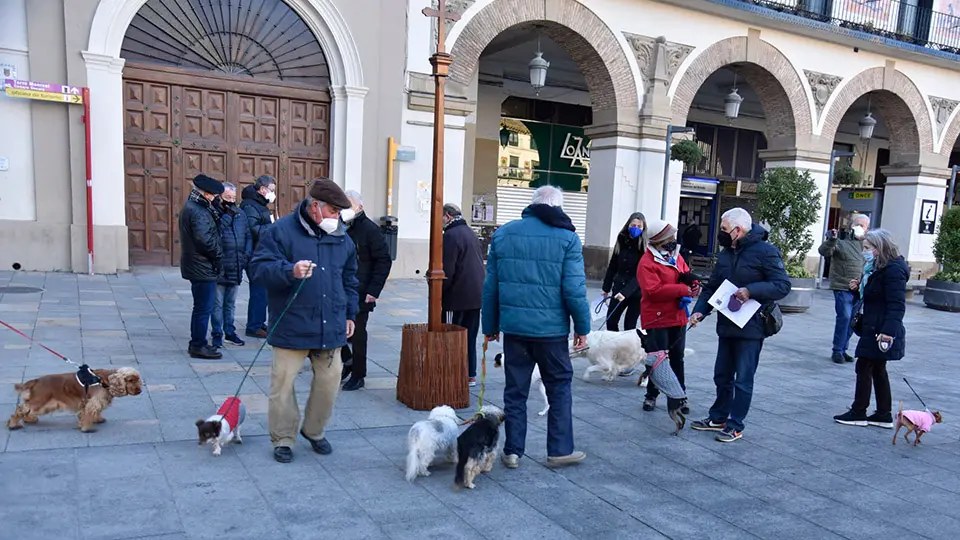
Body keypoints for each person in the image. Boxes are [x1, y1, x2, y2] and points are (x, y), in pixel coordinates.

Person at [248, 178, 359, 463]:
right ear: (315, 207)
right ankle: (283, 438)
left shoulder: (342, 237)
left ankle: (314, 430)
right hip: (292, 324)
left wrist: (350, 313)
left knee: (330, 381)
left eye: (339, 212)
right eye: (333, 211)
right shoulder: (280, 231)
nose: (337, 218)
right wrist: (289, 271)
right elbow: (258, 269)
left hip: (330, 324)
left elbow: (349, 278)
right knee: (282, 385)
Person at [482, 185, 590, 469]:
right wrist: (582, 327)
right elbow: (574, 290)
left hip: (515, 330)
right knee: (559, 387)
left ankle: (513, 450)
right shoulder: (567, 238)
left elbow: (490, 286)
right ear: (558, 207)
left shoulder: (504, 234)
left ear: (532, 204)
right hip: (551, 331)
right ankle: (559, 449)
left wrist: (490, 325)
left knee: (515, 390)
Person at [689, 208, 791, 442]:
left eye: (724, 229)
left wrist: (751, 291)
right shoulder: (726, 254)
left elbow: (782, 285)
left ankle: (735, 424)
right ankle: (718, 417)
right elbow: (712, 287)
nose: (721, 234)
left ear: (738, 230)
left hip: (752, 325)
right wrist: (699, 311)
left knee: (743, 378)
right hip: (727, 323)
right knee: (722, 375)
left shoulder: (766, 252)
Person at [833, 229, 907, 429]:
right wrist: (859, 288)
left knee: (865, 366)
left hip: (880, 328)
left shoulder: (893, 271)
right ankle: (883, 414)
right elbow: (875, 296)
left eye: (867, 248)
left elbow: (896, 304)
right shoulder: (876, 268)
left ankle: (859, 411)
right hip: (873, 325)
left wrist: (888, 332)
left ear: (879, 248)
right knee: (877, 369)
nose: (864, 251)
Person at [637, 219, 699, 414]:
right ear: (660, 240)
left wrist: (693, 282)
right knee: (658, 359)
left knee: (677, 358)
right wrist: (683, 289)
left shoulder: (675, 256)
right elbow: (653, 290)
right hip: (657, 317)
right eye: (670, 236)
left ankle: (680, 396)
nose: (674, 239)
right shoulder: (647, 262)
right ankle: (651, 395)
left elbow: (684, 272)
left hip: (677, 315)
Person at [339, 190, 393, 391]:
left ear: (360, 207)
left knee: (358, 333)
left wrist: (374, 290)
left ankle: (358, 374)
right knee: (334, 329)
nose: (345, 209)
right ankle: (348, 360)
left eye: (349, 205)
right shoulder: (341, 226)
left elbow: (384, 260)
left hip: (362, 291)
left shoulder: (369, 229)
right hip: (341, 288)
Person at [179, 174, 226, 360]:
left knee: (201, 307)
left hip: (198, 264)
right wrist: (219, 256)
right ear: (206, 194)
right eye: (213, 195)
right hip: (202, 265)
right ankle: (198, 345)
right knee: (202, 308)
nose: (215, 198)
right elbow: (205, 240)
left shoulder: (193, 206)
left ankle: (198, 342)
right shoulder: (198, 210)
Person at [441, 203, 486, 387]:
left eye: (441, 217)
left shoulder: (451, 235)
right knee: (470, 335)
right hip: (476, 294)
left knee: (454, 334)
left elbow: (447, 270)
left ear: (448, 216)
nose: (440, 222)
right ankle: (470, 374)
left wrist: (439, 294)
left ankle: (455, 372)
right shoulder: (468, 232)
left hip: (458, 296)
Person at [819, 214, 869, 364]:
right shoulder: (841, 240)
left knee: (854, 320)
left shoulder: (868, 244)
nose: (860, 228)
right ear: (851, 225)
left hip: (861, 288)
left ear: (867, 229)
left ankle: (843, 348)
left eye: (863, 226)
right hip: (843, 286)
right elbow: (824, 251)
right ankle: (837, 350)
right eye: (857, 224)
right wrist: (831, 239)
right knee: (845, 317)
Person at [211, 183, 252, 348]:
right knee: (217, 304)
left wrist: (245, 256)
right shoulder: (214, 213)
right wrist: (227, 215)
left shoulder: (240, 213)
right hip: (220, 265)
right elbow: (216, 233)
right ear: (219, 197)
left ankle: (230, 331)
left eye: (233, 198)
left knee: (231, 303)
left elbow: (248, 235)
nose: (231, 201)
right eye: (227, 198)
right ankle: (216, 334)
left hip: (236, 264)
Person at [241, 175, 277, 339]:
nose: (273, 194)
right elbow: (253, 229)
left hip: (262, 253)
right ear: (262, 189)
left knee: (263, 291)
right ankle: (254, 326)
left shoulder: (260, 204)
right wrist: (274, 229)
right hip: (254, 254)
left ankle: (258, 322)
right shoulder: (250, 205)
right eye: (272, 190)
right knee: (259, 291)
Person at [601, 213, 646, 332]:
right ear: (628, 225)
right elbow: (612, 266)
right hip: (619, 286)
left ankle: (626, 349)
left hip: (636, 292)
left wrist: (626, 292)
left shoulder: (644, 246)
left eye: (639, 226)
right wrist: (606, 288)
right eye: (633, 225)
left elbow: (641, 274)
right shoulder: (621, 240)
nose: (636, 228)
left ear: (643, 228)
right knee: (611, 321)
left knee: (629, 326)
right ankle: (615, 345)